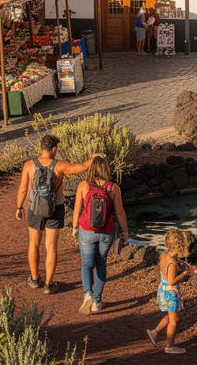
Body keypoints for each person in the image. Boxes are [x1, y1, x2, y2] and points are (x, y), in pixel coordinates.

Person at [15, 135, 95, 294]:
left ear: (41, 147)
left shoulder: (29, 165)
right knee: (51, 246)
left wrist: (19, 207)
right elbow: (82, 167)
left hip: (35, 208)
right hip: (55, 208)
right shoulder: (60, 166)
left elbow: (23, 189)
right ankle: (49, 284)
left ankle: (34, 278)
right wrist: (94, 158)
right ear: (53, 149)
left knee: (34, 243)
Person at [71, 155, 129, 315]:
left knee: (87, 264)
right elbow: (119, 212)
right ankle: (96, 301)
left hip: (87, 231)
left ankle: (87, 294)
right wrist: (125, 232)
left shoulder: (84, 186)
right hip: (106, 231)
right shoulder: (113, 188)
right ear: (106, 169)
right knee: (101, 263)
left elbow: (77, 210)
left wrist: (75, 227)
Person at [148, 228, 197, 355]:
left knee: (172, 315)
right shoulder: (172, 263)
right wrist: (186, 273)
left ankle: (154, 332)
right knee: (174, 321)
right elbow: (172, 281)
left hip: (164, 290)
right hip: (171, 292)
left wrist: (186, 270)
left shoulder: (164, 255)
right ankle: (169, 346)